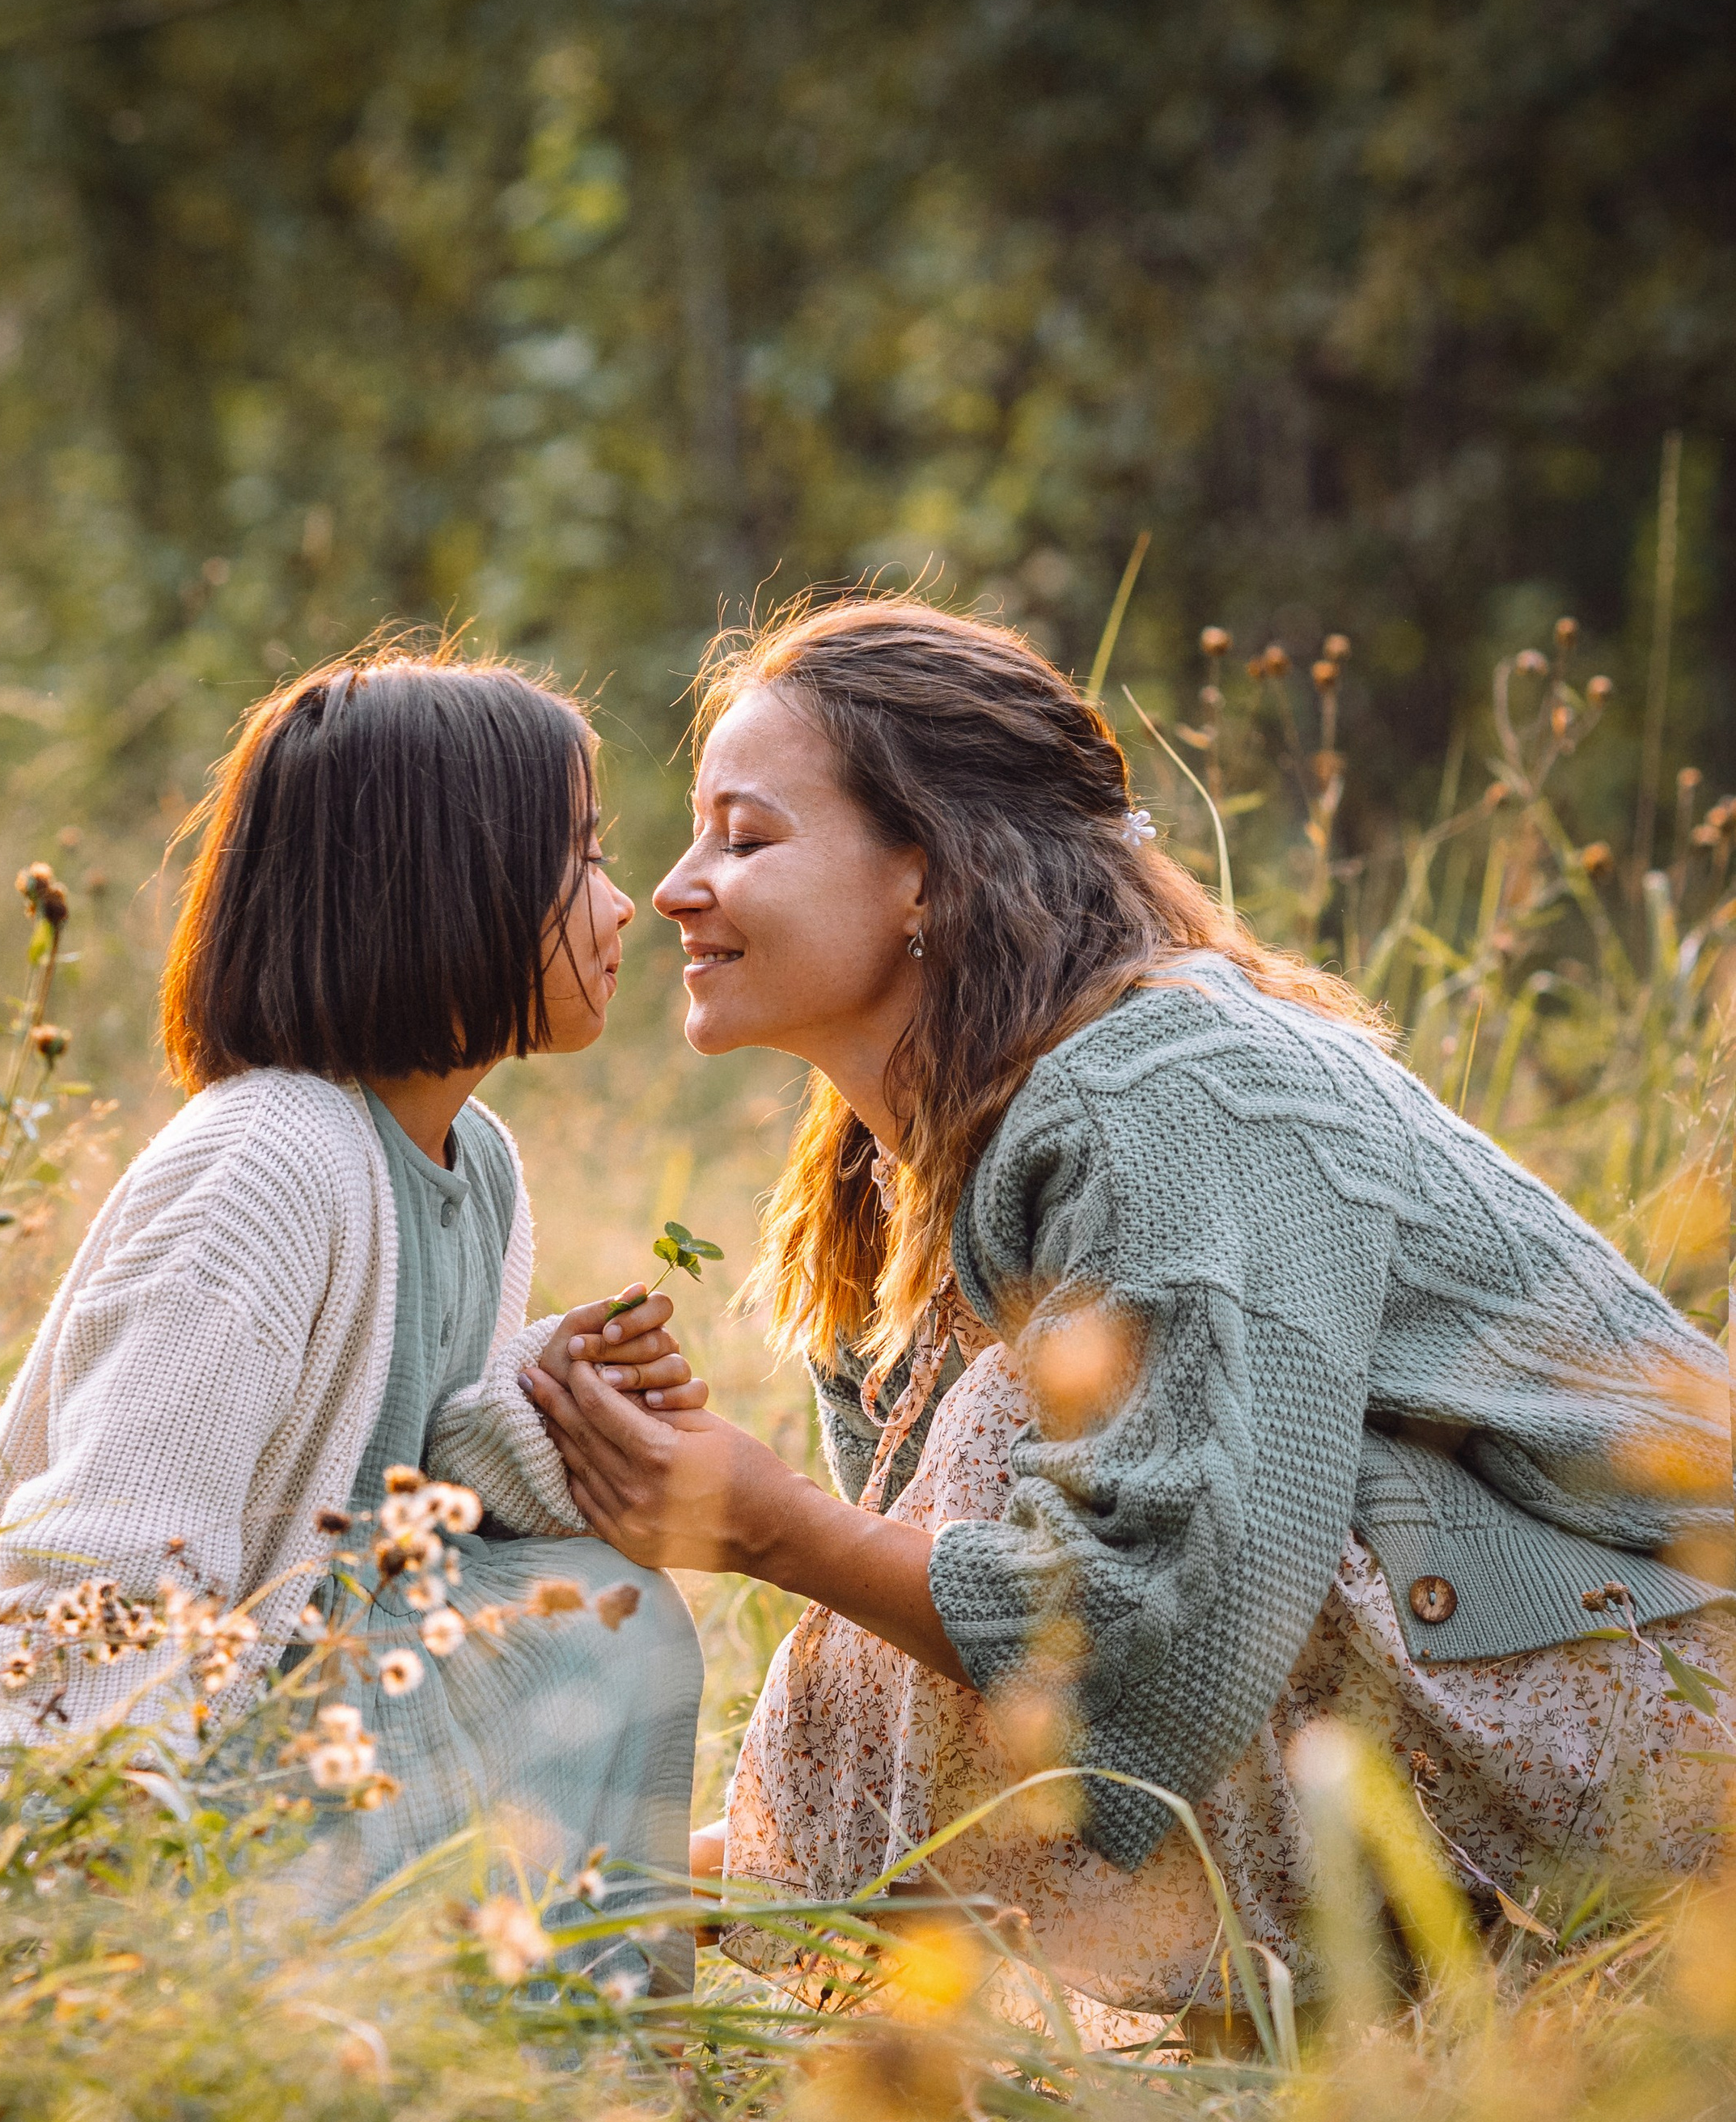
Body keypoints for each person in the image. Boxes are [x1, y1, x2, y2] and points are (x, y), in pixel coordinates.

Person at [526, 597, 1736, 2020]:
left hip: (1666, 1707)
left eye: (747, 837)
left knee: (1008, 1441)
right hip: (1478, 1683)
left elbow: (1165, 1630)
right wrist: (623, 1888)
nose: (674, 887)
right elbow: (981, 1691)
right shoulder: (900, 1165)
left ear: (927, 872)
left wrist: (778, 1530)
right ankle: (1291, 2041)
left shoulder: (1179, 1085)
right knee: (992, 1470)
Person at [0, 646, 705, 1966]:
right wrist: (71, 1910)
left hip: (319, 1711)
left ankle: (556, 2084)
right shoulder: (264, 1165)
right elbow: (101, 1573)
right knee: (599, 1636)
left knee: (600, 1607)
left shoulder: (474, 1162)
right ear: (453, 885)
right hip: (163, 1769)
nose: (623, 909)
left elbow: (413, 1489)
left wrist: (549, 1398)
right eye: (583, 863)